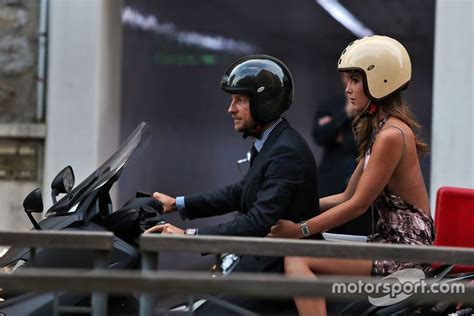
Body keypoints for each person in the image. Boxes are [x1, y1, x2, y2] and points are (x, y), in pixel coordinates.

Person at [268, 35, 435, 316]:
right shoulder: (380, 131)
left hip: (404, 253)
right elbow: (346, 195)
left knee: (297, 259)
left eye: (355, 80)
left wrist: (301, 229)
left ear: (380, 81)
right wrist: (296, 208)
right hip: (386, 243)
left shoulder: (391, 136)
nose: (348, 89)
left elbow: (358, 204)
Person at [146, 54, 320, 314]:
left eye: (239, 100)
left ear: (264, 103)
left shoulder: (286, 151)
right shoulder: (270, 142)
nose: (231, 108)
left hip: (275, 268)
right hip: (262, 260)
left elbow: (259, 221)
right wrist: (177, 204)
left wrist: (189, 237)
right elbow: (240, 192)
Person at [312, 74, 375, 235]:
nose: (349, 87)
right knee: (327, 233)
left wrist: (341, 135)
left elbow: (369, 142)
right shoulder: (331, 104)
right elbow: (320, 135)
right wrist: (345, 114)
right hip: (332, 183)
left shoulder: (373, 112)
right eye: (348, 78)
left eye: (355, 80)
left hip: (362, 186)